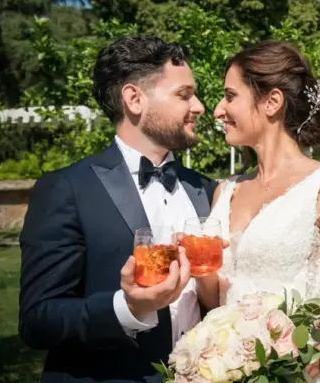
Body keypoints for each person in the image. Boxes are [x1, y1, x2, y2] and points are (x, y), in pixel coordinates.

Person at [18, 35, 218, 382]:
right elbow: (38, 320)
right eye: (184, 95)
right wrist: (129, 309)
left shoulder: (206, 189)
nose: (199, 106)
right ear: (134, 99)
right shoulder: (67, 188)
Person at [198, 41, 320, 382]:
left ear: (272, 102)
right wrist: (198, 265)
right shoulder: (225, 191)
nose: (218, 109)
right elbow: (214, 300)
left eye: (230, 96)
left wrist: (300, 369)